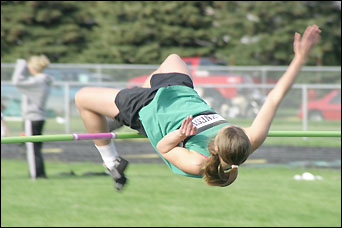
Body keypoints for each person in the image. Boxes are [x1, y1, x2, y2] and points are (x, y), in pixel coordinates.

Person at [75, 25, 321, 191]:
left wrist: (179, 135)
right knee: (172, 58)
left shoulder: (196, 163)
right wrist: (299, 59)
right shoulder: (250, 139)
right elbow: (275, 97)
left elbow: (163, 148)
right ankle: (118, 115)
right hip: (181, 92)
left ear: (215, 145)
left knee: (82, 98)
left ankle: (111, 162)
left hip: (148, 107)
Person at [12, 55, 53, 179]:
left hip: (32, 118)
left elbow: (17, 81)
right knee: (35, 147)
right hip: (38, 117)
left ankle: (36, 175)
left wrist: (21, 64)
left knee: (32, 148)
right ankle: (39, 173)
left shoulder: (38, 81)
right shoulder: (43, 80)